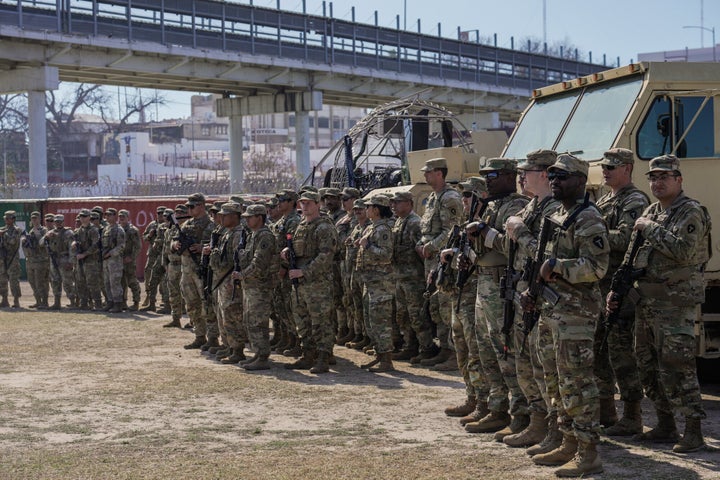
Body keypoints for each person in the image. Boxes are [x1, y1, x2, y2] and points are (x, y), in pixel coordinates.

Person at [608, 154, 711, 453]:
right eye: (653, 177)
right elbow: (631, 255)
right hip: (647, 304)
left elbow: (682, 251)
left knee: (678, 367)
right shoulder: (652, 210)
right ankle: (665, 425)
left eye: (664, 176)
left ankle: (693, 431)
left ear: (678, 180)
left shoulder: (690, 211)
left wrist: (649, 228)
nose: (657, 182)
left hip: (674, 305)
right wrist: (617, 290)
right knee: (648, 366)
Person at [524, 154, 608, 477]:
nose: (555, 181)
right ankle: (568, 439)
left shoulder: (588, 218)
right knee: (556, 378)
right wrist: (533, 290)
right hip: (553, 309)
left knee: (577, 381)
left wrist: (559, 268)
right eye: (553, 176)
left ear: (581, 181)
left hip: (577, 315)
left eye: (563, 176)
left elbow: (597, 267)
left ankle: (589, 452)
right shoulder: (559, 215)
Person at [466, 158, 530, 437]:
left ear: (509, 176)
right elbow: (482, 248)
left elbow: (515, 249)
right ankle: (496, 406)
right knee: (485, 349)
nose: (488, 179)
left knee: (506, 350)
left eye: (493, 174)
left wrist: (488, 233)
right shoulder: (492, 205)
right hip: (484, 281)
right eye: (485, 175)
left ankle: (520, 413)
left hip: (501, 282)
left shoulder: (516, 206)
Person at [502, 149, 561, 450]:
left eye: (527, 171)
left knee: (544, 366)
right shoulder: (530, 207)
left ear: (543, 174)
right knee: (524, 362)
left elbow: (549, 254)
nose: (521, 176)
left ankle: (554, 429)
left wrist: (520, 232)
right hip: (523, 294)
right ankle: (536, 423)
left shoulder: (555, 209)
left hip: (542, 298)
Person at [593, 148, 649, 436]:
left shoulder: (635, 200)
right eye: (604, 166)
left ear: (627, 169)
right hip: (601, 285)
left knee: (621, 352)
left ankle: (632, 415)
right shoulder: (605, 199)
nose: (606, 171)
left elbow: (629, 238)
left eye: (612, 167)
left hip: (622, 287)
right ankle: (606, 409)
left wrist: (593, 233)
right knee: (599, 349)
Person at [441, 178, 491, 420]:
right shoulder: (461, 226)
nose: (464, 199)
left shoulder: (485, 226)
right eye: (463, 195)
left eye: (469, 195)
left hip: (476, 296)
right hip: (459, 294)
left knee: (475, 352)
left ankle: (484, 402)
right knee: (461, 348)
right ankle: (472, 396)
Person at [281, 190, 338, 374]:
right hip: (301, 283)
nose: (305, 206)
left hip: (317, 283)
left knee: (321, 321)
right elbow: (300, 250)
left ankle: (323, 356)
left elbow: (326, 256)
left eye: (309, 203)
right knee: (302, 320)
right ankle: (308, 354)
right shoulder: (301, 225)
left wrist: (303, 271)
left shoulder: (323, 227)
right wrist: (287, 252)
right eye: (302, 203)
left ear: (318, 204)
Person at [415, 157, 464, 366]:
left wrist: (432, 246)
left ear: (439, 173)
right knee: (436, 306)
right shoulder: (434, 198)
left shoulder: (449, 198)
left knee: (446, 306)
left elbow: (452, 230)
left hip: (444, 261)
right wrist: (421, 244)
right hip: (431, 261)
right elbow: (427, 229)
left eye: (429, 171)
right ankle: (444, 348)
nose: (425, 175)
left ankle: (455, 353)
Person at [390, 191, 435, 361]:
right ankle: (410, 346)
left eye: (398, 202)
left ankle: (427, 348)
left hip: (414, 279)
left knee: (418, 316)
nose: (394, 205)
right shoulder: (399, 222)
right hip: (401, 278)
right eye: (392, 202)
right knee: (403, 316)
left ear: (409, 203)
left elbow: (423, 252)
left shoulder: (415, 223)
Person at [233, 204, 278, 370]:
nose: (246, 219)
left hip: (260, 286)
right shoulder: (253, 235)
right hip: (251, 285)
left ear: (259, 218)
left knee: (258, 322)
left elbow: (259, 263)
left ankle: (263, 356)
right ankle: (258, 354)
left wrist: (242, 274)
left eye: (249, 217)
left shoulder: (264, 236)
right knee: (250, 320)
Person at [355, 194, 396, 372]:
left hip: (380, 283)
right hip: (370, 281)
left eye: (369, 206)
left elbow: (387, 255)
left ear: (377, 209)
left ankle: (386, 360)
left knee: (381, 321)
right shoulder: (372, 228)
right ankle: (379, 355)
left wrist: (368, 246)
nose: (366, 209)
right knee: (371, 319)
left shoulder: (383, 230)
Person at [175, 193, 215, 349]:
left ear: (201, 206)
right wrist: (175, 245)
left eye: (192, 206)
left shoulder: (211, 225)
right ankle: (199, 335)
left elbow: (215, 245)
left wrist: (202, 247)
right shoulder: (186, 224)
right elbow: (175, 239)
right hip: (186, 271)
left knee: (207, 304)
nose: (189, 209)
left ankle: (212, 337)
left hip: (202, 271)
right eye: (188, 207)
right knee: (192, 304)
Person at [211, 202, 249, 364]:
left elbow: (235, 260)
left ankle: (237, 349)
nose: (222, 217)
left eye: (225, 215)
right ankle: (230, 346)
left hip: (231, 281)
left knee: (232, 315)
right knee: (223, 315)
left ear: (235, 216)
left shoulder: (239, 234)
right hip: (223, 280)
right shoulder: (227, 233)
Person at [270, 190, 301, 356]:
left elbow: (292, 247)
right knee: (280, 307)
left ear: (292, 202)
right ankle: (287, 337)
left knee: (290, 307)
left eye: (283, 200)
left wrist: (284, 266)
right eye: (278, 200)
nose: (279, 203)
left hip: (288, 271)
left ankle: (297, 341)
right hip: (277, 270)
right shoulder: (281, 220)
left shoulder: (294, 221)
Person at [42, 214, 78, 310]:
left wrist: (71, 262)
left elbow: (72, 248)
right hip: (54, 259)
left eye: (60, 221)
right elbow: (41, 243)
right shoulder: (50, 232)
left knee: (67, 282)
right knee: (55, 281)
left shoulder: (68, 233)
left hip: (64, 259)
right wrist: (46, 236)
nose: (58, 223)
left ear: (63, 222)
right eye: (56, 221)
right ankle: (57, 303)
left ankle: (73, 302)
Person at [162, 205, 189, 328]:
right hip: (172, 265)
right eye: (176, 213)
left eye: (181, 213)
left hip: (184, 265)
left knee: (188, 294)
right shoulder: (170, 230)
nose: (178, 216)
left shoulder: (187, 228)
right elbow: (165, 249)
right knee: (173, 293)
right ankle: (175, 318)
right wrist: (165, 263)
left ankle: (192, 320)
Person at [72, 209, 102, 310]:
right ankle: (84, 303)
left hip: (91, 261)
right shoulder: (78, 231)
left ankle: (97, 304)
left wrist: (84, 254)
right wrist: (74, 244)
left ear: (89, 217)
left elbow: (96, 245)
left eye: (85, 216)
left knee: (93, 283)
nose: (83, 219)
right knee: (81, 282)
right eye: (81, 216)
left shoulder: (93, 230)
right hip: (80, 261)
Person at [140, 206, 168, 311]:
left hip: (162, 254)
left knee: (162, 277)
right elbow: (144, 237)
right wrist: (149, 235)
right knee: (148, 274)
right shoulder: (152, 225)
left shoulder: (168, 225)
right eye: (158, 213)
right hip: (152, 254)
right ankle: (149, 296)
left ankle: (164, 299)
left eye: (162, 213)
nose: (160, 215)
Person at [22, 211, 50, 309]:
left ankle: (44, 302)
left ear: (39, 219)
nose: (34, 220)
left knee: (40, 282)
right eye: (32, 218)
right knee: (32, 281)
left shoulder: (44, 230)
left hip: (41, 260)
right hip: (31, 260)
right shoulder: (30, 231)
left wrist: (37, 232)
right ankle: (38, 301)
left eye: (36, 218)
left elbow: (42, 242)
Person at [100, 208, 126, 313]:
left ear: (114, 216)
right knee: (106, 282)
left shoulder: (119, 229)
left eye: (109, 215)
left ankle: (118, 304)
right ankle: (109, 302)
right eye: (106, 215)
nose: (107, 216)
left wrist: (110, 253)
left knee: (115, 282)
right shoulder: (106, 229)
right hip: (106, 260)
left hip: (114, 260)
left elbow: (121, 246)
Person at [118, 210, 142, 311]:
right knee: (122, 281)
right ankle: (123, 302)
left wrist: (131, 257)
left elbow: (138, 246)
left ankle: (136, 302)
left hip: (129, 260)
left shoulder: (133, 230)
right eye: (120, 216)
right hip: (120, 259)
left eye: (123, 216)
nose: (121, 218)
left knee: (132, 281)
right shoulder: (118, 229)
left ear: (128, 218)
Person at [0, 210, 23, 308]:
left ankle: (16, 300)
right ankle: (4, 299)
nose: (6, 220)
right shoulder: (2, 229)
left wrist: (3, 235)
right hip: (2, 258)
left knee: (14, 280)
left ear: (13, 219)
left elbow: (13, 241)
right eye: (5, 218)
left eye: (8, 218)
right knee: (2, 279)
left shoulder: (17, 230)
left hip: (13, 259)